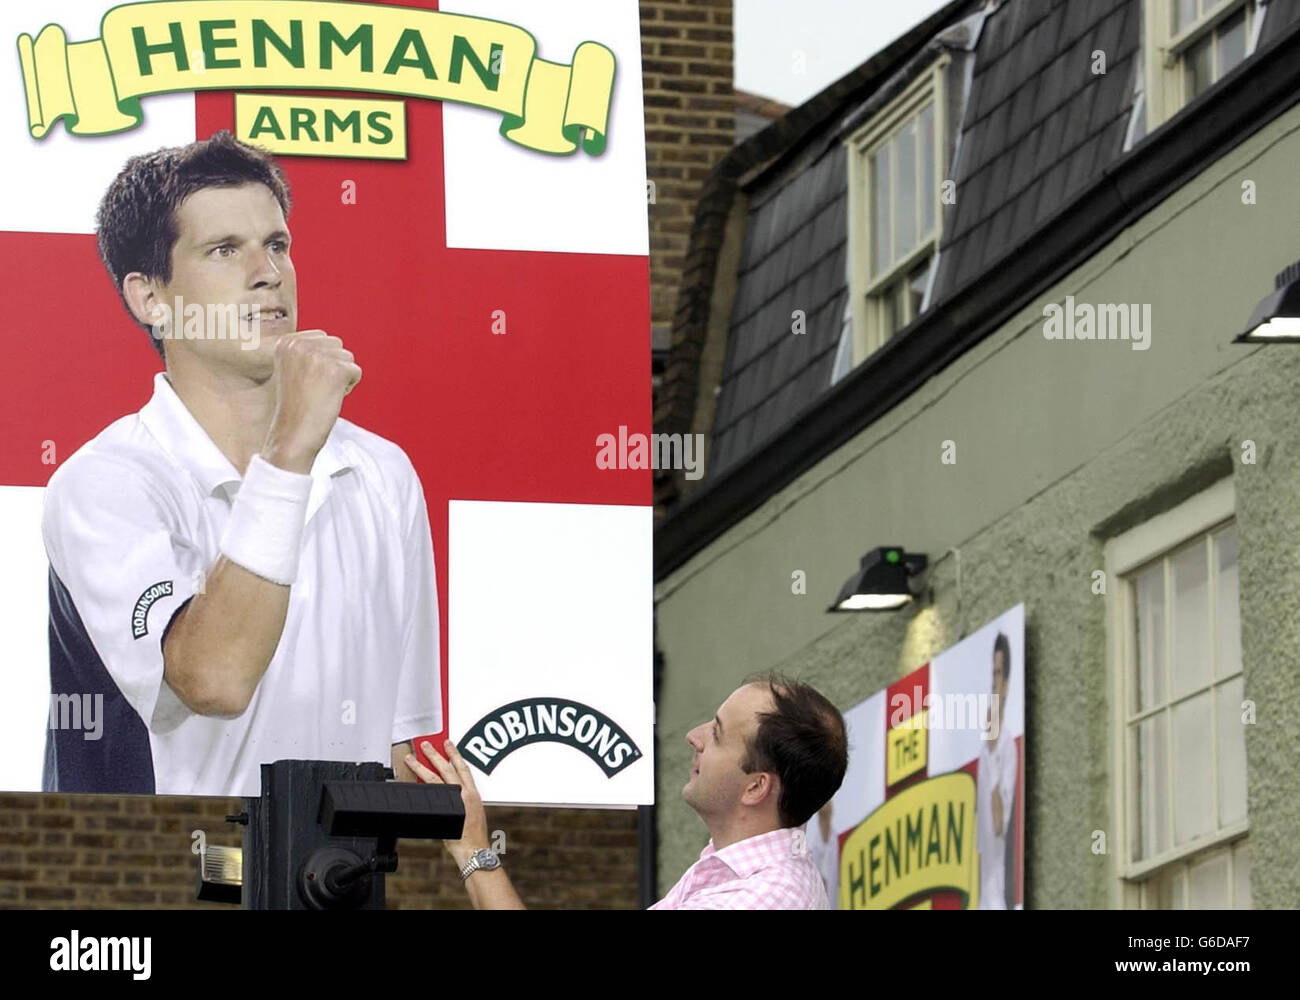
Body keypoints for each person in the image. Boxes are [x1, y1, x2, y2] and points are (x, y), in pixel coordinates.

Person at [41, 131, 440, 795]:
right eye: (225, 249)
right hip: (164, 885)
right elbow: (214, 679)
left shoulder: (384, 474)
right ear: (150, 298)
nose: (269, 271)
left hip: (340, 890)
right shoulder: (103, 482)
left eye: (277, 244)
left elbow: (405, 750)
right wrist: (289, 454)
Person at [407, 673, 848, 909]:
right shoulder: (742, 873)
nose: (693, 736)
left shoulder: (760, 898)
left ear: (755, 787)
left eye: (716, 733)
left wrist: (474, 849)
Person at [976, 632, 1017, 909]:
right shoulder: (985, 749)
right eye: (992, 672)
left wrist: (992, 758)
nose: (994, 682)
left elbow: (999, 824)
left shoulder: (1007, 747)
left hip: (999, 893)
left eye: (999, 673)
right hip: (983, 891)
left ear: (1007, 684)